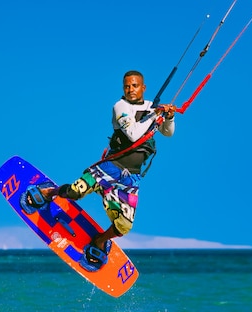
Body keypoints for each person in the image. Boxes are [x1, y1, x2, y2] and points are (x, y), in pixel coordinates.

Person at [21, 70, 176, 271]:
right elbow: (132, 134)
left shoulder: (150, 108)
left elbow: (167, 133)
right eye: (127, 86)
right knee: (76, 192)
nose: (130, 90)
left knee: (124, 226)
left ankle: (100, 241)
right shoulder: (121, 107)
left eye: (135, 86)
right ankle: (48, 192)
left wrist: (169, 117)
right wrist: (155, 114)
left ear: (143, 88)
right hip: (110, 168)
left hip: (130, 179)